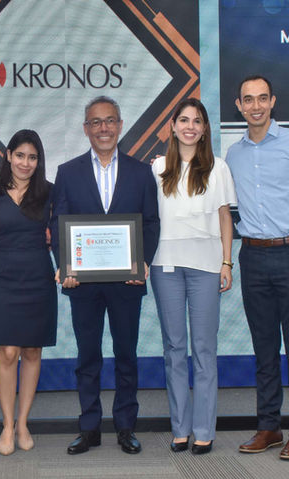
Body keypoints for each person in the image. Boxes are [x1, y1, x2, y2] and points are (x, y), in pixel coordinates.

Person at [50, 96, 160, 455]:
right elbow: (58, 223)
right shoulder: (67, 173)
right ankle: (89, 428)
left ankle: (126, 427)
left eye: (110, 120)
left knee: (126, 354)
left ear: (120, 125)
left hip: (128, 282)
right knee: (88, 357)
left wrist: (142, 262)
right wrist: (65, 266)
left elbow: (150, 222)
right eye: (96, 122)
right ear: (86, 129)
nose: (103, 128)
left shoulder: (141, 172)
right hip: (82, 283)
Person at [150, 98, 236, 455]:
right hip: (164, 266)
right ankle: (180, 429)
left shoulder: (218, 167)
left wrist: (227, 263)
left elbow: (225, 217)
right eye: (183, 120)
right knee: (174, 348)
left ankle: (203, 430)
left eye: (197, 121)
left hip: (206, 266)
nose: (190, 126)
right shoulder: (156, 168)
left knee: (203, 349)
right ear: (172, 126)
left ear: (204, 129)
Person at [0, 129, 57, 455]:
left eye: (32, 157)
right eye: (20, 155)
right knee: (8, 352)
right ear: (9, 155)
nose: (26, 162)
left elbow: (61, 233)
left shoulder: (49, 192)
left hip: (38, 277)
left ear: (39, 161)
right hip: (2, 277)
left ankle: (23, 423)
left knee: (33, 351)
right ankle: (7, 425)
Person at [226, 75, 289, 460]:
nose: (255, 106)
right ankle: (269, 427)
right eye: (248, 100)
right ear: (238, 106)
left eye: (262, 98)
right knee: (264, 349)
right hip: (252, 257)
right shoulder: (233, 155)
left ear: (273, 101)